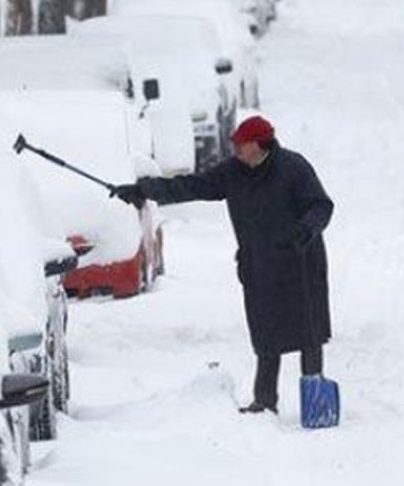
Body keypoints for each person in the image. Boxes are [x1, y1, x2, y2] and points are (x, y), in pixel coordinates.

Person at [110, 116, 334, 415]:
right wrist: (144, 190)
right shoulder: (233, 173)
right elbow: (192, 185)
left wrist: (306, 230)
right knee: (266, 335)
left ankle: (316, 401)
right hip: (259, 267)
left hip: (300, 263)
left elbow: (321, 205)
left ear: (259, 144)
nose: (236, 150)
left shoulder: (293, 168)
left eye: (241, 144)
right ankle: (264, 401)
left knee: (308, 333)